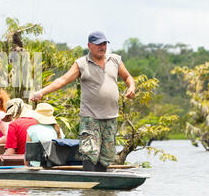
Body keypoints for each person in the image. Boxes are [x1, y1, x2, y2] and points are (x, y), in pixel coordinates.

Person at [30, 31, 136, 172]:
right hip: (90, 117)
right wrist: (41, 92)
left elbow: (128, 77)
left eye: (104, 44)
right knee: (89, 152)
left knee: (107, 155)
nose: (102, 47)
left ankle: (101, 188)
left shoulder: (115, 60)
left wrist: (131, 87)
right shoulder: (82, 63)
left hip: (110, 117)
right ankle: (87, 188)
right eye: (98, 44)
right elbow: (62, 80)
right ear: (90, 46)